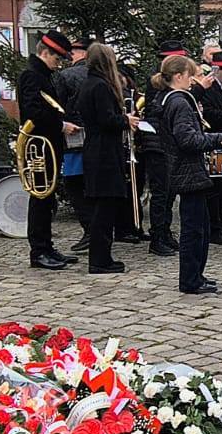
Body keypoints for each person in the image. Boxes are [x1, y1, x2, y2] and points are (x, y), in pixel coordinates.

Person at [158, 54, 222, 288]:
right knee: (194, 230)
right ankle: (190, 279)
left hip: (187, 171)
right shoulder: (179, 102)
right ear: (179, 76)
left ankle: (196, 276)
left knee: (200, 227)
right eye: (191, 75)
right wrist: (217, 139)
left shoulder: (174, 100)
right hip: (187, 172)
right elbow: (187, 139)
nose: (193, 81)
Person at [74, 44, 140, 274]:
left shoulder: (88, 83)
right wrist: (126, 121)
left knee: (102, 206)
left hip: (95, 148)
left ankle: (101, 256)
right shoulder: (101, 86)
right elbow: (106, 119)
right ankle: (100, 259)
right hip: (104, 152)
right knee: (105, 207)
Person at [17, 30, 78, 271]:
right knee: (40, 198)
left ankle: (46, 246)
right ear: (45, 52)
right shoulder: (32, 76)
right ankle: (39, 250)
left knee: (47, 197)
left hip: (48, 142)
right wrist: (61, 125)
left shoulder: (42, 74)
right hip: (39, 142)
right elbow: (34, 112)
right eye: (57, 58)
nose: (59, 63)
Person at [50, 38, 98, 253]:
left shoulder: (66, 76)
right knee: (93, 186)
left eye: (73, 53)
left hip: (74, 137)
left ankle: (90, 230)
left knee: (74, 185)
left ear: (81, 54)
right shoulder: (104, 75)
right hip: (97, 138)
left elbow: (56, 107)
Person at [141, 40, 188, 257]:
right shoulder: (159, 87)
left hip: (162, 144)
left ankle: (165, 232)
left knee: (168, 193)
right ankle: (157, 236)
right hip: (157, 145)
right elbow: (158, 115)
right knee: (161, 193)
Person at [192, 50, 222, 246]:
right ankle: (214, 228)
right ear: (216, 70)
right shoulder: (209, 88)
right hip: (215, 140)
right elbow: (209, 115)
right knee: (216, 187)